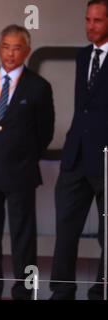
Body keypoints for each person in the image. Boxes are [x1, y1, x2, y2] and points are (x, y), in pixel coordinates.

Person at [0, 25, 55, 300]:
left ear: (27, 51)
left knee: (23, 241)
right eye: (6, 46)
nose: (10, 52)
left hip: (21, 173)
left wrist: (21, 155)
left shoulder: (39, 87)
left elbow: (45, 133)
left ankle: (23, 293)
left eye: (17, 47)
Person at [50, 0, 108, 300]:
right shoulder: (84, 56)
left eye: (97, 20)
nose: (90, 26)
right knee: (66, 230)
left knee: (107, 236)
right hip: (75, 158)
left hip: (107, 160)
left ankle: (102, 293)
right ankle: (61, 292)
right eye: (87, 19)